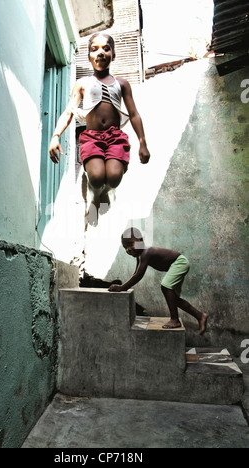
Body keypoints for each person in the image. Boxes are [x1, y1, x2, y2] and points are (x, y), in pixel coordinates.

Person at [49, 33, 150, 221]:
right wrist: (55, 136)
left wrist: (143, 143)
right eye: (94, 49)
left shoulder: (122, 84)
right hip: (92, 137)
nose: (100, 53)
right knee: (96, 176)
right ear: (88, 55)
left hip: (115, 138)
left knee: (114, 177)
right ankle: (94, 197)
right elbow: (69, 112)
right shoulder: (83, 83)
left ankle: (108, 191)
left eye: (106, 48)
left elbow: (134, 114)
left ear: (114, 53)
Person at [108, 228, 208, 335]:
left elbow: (139, 275)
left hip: (180, 263)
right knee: (173, 299)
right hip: (177, 264)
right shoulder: (141, 256)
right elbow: (135, 274)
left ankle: (175, 319)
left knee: (165, 287)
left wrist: (122, 288)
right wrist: (122, 287)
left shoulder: (146, 252)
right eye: (125, 248)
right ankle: (200, 316)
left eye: (130, 245)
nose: (128, 250)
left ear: (141, 241)